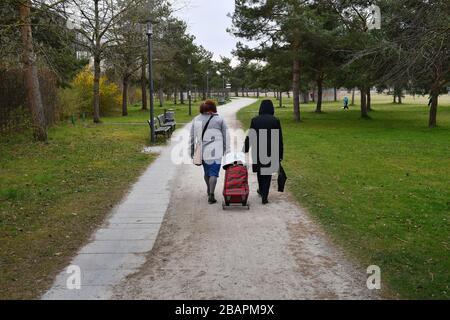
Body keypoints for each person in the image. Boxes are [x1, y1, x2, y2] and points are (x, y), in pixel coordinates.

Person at [244, 100, 284, 205]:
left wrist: (245, 148)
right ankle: (264, 195)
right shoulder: (275, 120)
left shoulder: (255, 120)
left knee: (260, 172)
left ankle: (262, 191)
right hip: (272, 150)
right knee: (267, 173)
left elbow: (251, 135)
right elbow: (280, 139)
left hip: (258, 149)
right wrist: (280, 154)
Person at [190, 100, 229, 204]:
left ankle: (209, 189)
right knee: (214, 173)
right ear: (213, 108)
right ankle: (211, 194)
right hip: (217, 150)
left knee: (207, 172)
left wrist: (191, 150)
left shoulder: (196, 119)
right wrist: (226, 149)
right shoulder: (219, 120)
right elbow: (226, 135)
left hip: (203, 151)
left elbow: (192, 137)